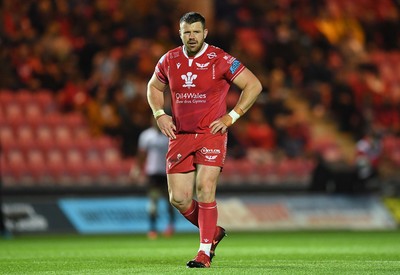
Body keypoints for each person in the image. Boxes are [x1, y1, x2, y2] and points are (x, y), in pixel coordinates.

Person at [147, 12, 262, 268]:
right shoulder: (170, 59)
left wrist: (232, 117)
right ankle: (213, 233)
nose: (191, 36)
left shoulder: (220, 58)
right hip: (180, 135)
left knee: (205, 189)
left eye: (196, 32)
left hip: (212, 133)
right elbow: (154, 87)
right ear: (180, 33)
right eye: (187, 32)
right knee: (178, 199)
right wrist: (159, 114)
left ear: (205, 33)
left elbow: (253, 85)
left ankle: (203, 253)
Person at [131, 119, 175, 239]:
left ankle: (170, 225)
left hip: (167, 172)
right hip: (152, 173)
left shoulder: (170, 134)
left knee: (170, 201)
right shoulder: (146, 136)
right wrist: (137, 169)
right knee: (153, 201)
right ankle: (152, 228)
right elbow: (141, 154)